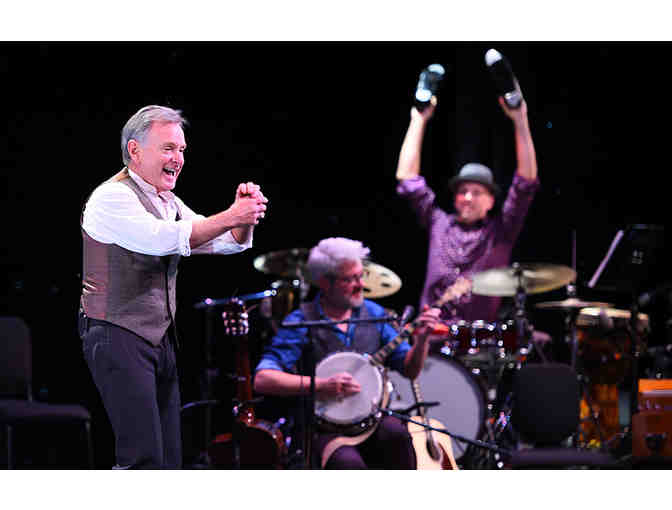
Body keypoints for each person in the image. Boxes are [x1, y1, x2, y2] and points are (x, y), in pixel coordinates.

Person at [78, 105, 268, 469]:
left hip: (158, 337)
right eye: (168, 148)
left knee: (168, 459)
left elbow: (221, 241)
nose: (178, 159)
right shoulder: (111, 197)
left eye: (181, 150)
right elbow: (163, 239)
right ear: (134, 150)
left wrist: (243, 216)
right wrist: (231, 216)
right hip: (115, 332)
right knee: (142, 458)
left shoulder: (167, 201)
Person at [254, 237, 441, 469]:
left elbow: (409, 370)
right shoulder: (302, 320)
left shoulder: (374, 314)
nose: (360, 284)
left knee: (398, 436)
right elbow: (263, 379)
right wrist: (321, 385)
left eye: (361, 276)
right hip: (323, 428)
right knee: (348, 464)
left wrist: (422, 340)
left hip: (372, 420)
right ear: (324, 282)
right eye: (349, 279)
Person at [395, 92, 539, 323]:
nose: (468, 197)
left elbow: (526, 183)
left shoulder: (501, 231)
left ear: (491, 201)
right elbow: (407, 178)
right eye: (462, 191)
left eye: (477, 192)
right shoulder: (438, 222)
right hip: (429, 336)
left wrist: (520, 120)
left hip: (478, 340)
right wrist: (418, 120)